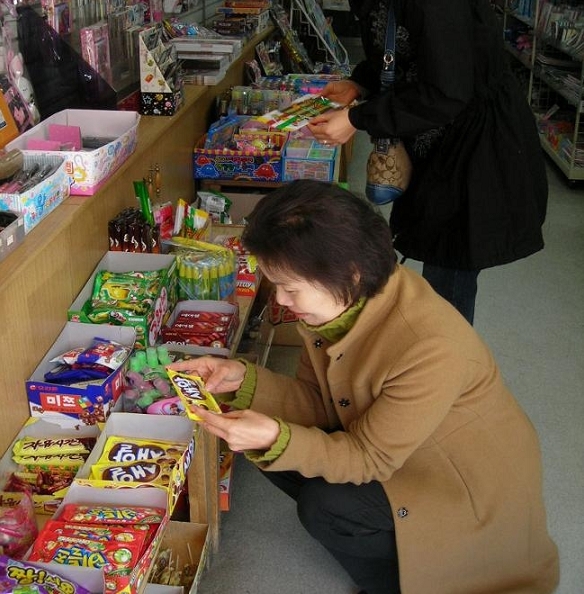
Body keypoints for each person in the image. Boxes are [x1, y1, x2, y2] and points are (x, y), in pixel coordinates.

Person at [167, 180, 558, 594]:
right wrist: (242, 379)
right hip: (400, 445)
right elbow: (319, 402)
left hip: (461, 486)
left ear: (349, 274)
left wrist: (277, 436)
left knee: (320, 500)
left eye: (290, 288)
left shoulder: (430, 346)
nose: (280, 300)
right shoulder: (345, 302)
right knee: (277, 449)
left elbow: (369, 458)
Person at [307, 0, 548, 325]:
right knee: (441, 262)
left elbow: (446, 91)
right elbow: (406, 49)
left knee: (450, 273)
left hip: (475, 153)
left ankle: (446, 367)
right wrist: (360, 83)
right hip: (439, 142)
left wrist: (357, 119)